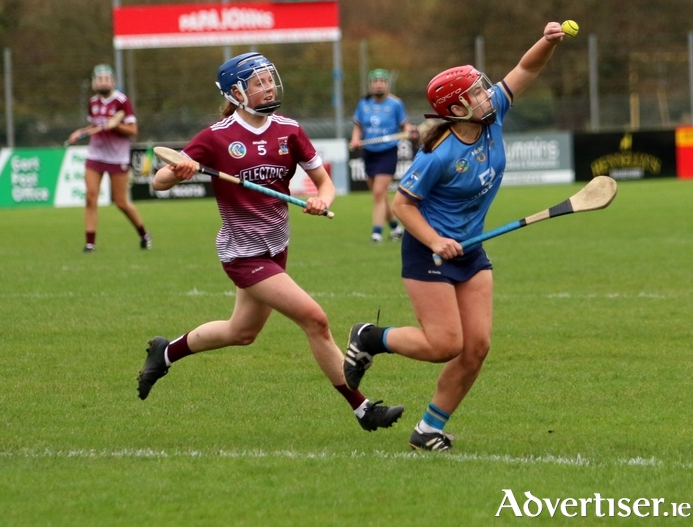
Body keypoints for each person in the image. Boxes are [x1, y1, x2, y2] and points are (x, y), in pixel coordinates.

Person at [137, 52, 404, 433]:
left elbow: (324, 184)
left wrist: (321, 200)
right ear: (236, 92)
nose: (268, 87)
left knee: (241, 332)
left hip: (277, 247)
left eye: (269, 80)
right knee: (315, 319)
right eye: (258, 82)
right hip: (242, 253)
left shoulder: (289, 130)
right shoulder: (216, 137)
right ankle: (363, 410)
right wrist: (181, 171)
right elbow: (158, 181)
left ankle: (165, 352)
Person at [342, 23, 566, 451]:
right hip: (430, 251)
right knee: (444, 344)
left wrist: (548, 41)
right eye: (477, 93)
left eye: (484, 89)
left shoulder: (493, 112)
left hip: (471, 248)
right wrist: (436, 242)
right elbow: (402, 205)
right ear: (457, 107)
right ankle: (370, 337)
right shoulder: (438, 153)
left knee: (476, 346)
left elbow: (525, 68)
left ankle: (428, 429)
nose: (488, 94)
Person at [66, 64, 151, 252]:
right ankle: (90, 243)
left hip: (117, 157)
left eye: (106, 79)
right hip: (95, 155)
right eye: (99, 79)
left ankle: (144, 233)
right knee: (90, 197)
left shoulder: (122, 102)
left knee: (121, 202)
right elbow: (94, 126)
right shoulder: (93, 102)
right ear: (94, 83)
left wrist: (115, 126)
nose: (103, 82)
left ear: (113, 81)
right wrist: (80, 132)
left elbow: (133, 130)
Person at [349, 69, 415, 243]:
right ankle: (395, 228)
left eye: (382, 81)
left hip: (388, 152)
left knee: (379, 192)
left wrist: (410, 131)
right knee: (380, 196)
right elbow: (358, 126)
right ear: (370, 84)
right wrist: (355, 139)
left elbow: (405, 126)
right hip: (369, 152)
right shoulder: (363, 103)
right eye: (375, 81)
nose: (379, 83)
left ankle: (376, 233)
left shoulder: (395, 104)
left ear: (387, 84)